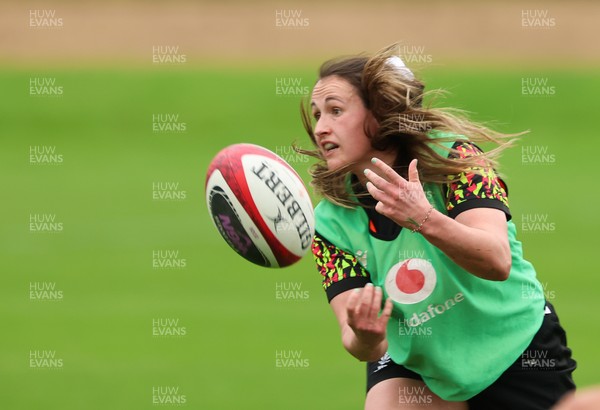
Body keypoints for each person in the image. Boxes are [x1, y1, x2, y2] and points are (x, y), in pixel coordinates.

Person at [299, 43, 576, 409]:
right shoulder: (329, 221)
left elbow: (496, 260)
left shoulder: (454, 158)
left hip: (514, 347)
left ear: (379, 113)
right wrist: (366, 334)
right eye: (317, 114)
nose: (320, 128)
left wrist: (424, 218)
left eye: (336, 111)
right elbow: (361, 343)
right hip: (419, 363)